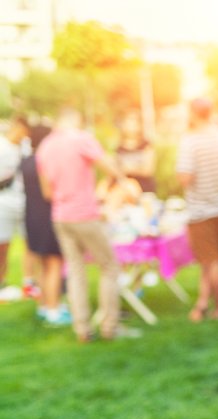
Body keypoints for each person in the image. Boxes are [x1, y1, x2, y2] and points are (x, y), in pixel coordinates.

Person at [36, 107, 125, 342]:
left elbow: (47, 192)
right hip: (84, 213)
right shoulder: (81, 139)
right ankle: (110, 327)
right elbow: (111, 170)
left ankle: (82, 329)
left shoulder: (45, 147)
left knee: (75, 271)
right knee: (109, 267)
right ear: (76, 120)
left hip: (60, 216)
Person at [176, 97, 218, 322]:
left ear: (192, 113)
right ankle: (202, 302)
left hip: (201, 211)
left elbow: (185, 177)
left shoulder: (190, 141)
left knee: (211, 262)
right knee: (211, 259)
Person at [23, 123, 70, 325]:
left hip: (31, 216)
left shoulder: (25, 161)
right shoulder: (46, 161)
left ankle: (44, 304)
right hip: (48, 217)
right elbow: (50, 191)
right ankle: (54, 309)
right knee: (54, 263)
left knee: (44, 262)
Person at [0, 116, 32, 301]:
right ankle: (1, 282)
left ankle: (29, 283)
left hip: (25, 201)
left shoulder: (26, 146)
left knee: (30, 243)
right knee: (2, 247)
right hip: (3, 202)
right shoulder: (1, 145)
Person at [115, 111, 156, 193]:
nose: (130, 126)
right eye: (127, 122)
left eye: (133, 122)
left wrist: (128, 169)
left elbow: (148, 170)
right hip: (125, 188)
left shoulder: (146, 145)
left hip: (144, 187)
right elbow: (116, 169)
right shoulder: (119, 148)